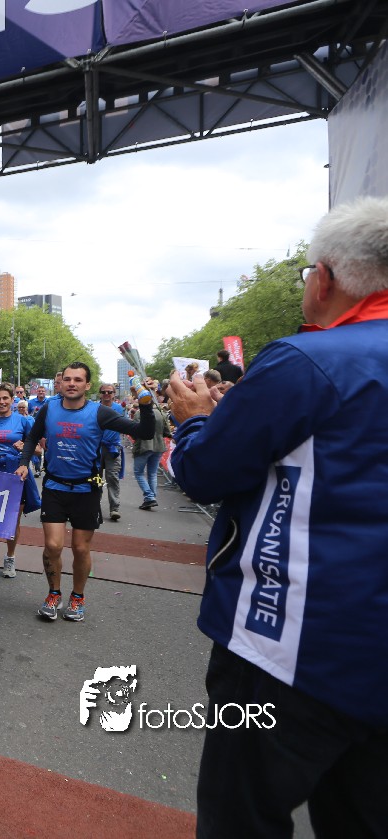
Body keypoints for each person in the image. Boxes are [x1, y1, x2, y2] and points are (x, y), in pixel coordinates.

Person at [166, 196, 388, 838]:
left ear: (326, 279)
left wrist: (196, 420)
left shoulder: (306, 360)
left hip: (290, 648)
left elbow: (204, 471)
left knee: (241, 817)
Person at [16, 363, 154, 622]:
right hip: (55, 487)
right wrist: (24, 463)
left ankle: (77, 596)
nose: (72, 383)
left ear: (87, 385)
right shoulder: (49, 409)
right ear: (61, 383)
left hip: (86, 490)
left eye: (78, 380)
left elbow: (144, 432)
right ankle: (54, 593)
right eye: (67, 379)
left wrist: (146, 404)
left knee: (80, 548)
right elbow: (32, 437)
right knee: (53, 546)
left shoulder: (100, 413)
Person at [0, 383, 36, 582]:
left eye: (5, 398)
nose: (2, 402)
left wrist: (25, 447)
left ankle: (10, 558)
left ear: (13, 400)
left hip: (15, 474)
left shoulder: (23, 421)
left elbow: (39, 449)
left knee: (13, 520)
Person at [132, 378, 171, 510]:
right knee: (152, 473)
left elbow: (135, 431)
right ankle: (151, 497)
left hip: (144, 446)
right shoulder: (161, 412)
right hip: (159, 446)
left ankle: (149, 497)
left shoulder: (140, 413)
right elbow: (167, 431)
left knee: (138, 472)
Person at [97, 383, 125, 522]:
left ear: (114, 394)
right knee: (95, 478)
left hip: (112, 449)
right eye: (104, 392)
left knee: (112, 478)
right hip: (95, 449)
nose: (106, 394)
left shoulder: (119, 409)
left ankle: (114, 508)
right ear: (100, 394)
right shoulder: (94, 408)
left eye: (109, 392)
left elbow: (125, 425)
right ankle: (94, 507)